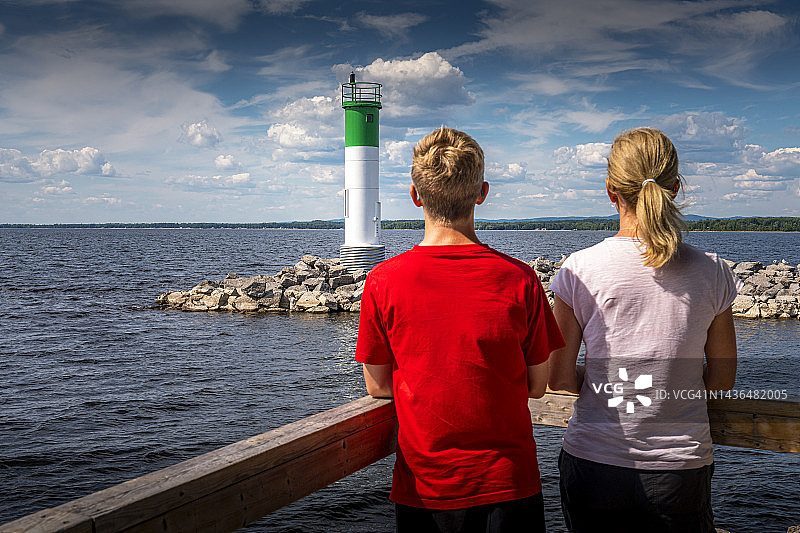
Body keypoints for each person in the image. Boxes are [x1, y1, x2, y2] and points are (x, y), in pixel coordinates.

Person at [355, 126, 565, 533]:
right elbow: (538, 385)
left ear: (416, 196)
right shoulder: (520, 280)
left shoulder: (383, 281)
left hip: (425, 488)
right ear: (482, 192)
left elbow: (378, 385)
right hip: (509, 485)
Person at [547, 127, 741, 533]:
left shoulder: (579, 270)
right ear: (674, 187)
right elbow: (721, 379)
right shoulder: (714, 271)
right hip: (679, 469)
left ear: (610, 190)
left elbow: (559, 376)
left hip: (595, 463)